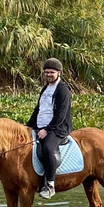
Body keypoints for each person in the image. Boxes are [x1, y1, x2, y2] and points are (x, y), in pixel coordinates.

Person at [26, 58, 73, 199]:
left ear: (59, 73)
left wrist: (47, 130)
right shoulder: (45, 89)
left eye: (51, 72)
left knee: (48, 148)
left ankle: (50, 184)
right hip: (41, 126)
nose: (48, 75)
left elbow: (61, 114)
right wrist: (28, 126)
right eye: (46, 72)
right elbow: (38, 109)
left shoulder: (62, 90)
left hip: (57, 128)